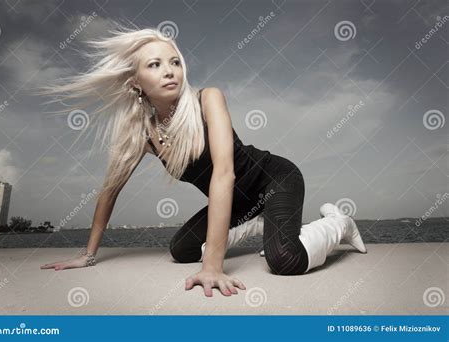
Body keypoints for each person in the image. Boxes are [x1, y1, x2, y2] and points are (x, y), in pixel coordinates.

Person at [39, 27, 367, 297]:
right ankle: (259, 222)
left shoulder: (208, 98)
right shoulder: (141, 135)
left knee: (284, 259)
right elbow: (109, 192)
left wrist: (213, 265)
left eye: (174, 62)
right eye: (154, 65)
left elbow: (223, 174)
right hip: (238, 204)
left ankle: (340, 223)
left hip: (273, 179)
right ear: (135, 82)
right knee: (181, 250)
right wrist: (88, 254)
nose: (169, 71)